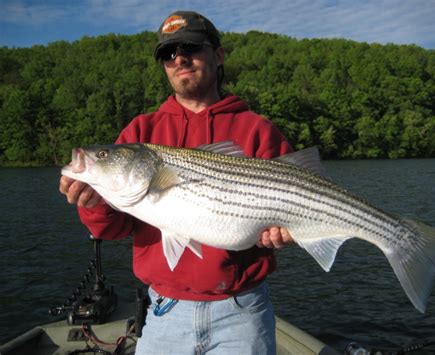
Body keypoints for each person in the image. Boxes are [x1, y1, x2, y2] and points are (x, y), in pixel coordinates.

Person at [60, 10, 293, 354]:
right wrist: (95, 205)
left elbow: (300, 206)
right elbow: (113, 228)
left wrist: (287, 234)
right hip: (165, 314)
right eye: (168, 54)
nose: (179, 58)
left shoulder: (257, 129)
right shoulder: (141, 132)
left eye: (191, 47)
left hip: (242, 313)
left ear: (218, 54)